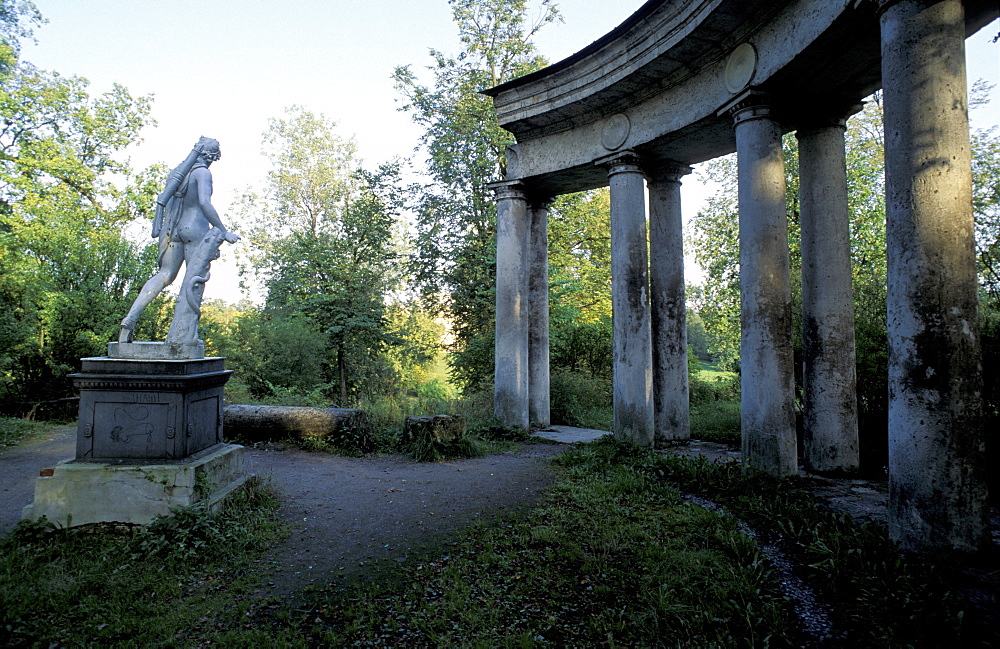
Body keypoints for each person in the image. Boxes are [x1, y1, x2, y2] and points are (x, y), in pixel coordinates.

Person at [119, 137, 240, 343]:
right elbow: (204, 203)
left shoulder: (178, 174)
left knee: (164, 275)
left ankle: (130, 318)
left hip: (173, 230)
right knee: (193, 281)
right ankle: (185, 336)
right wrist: (223, 230)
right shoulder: (203, 173)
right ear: (210, 156)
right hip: (195, 228)